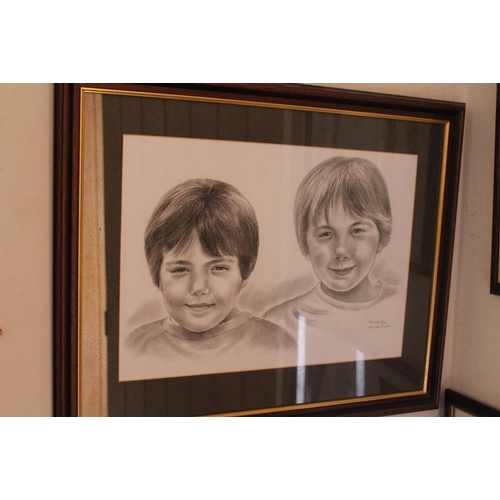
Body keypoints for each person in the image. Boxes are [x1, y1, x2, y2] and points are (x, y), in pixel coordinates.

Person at [123, 178, 296, 380]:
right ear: (157, 276)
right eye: (180, 270)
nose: (199, 287)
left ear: (244, 272)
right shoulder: (135, 346)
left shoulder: (276, 343)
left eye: (218, 268)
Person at [264, 157, 405, 366]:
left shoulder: (402, 309)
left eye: (357, 231)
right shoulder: (278, 323)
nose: (341, 251)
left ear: (381, 235)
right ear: (305, 242)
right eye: (325, 234)